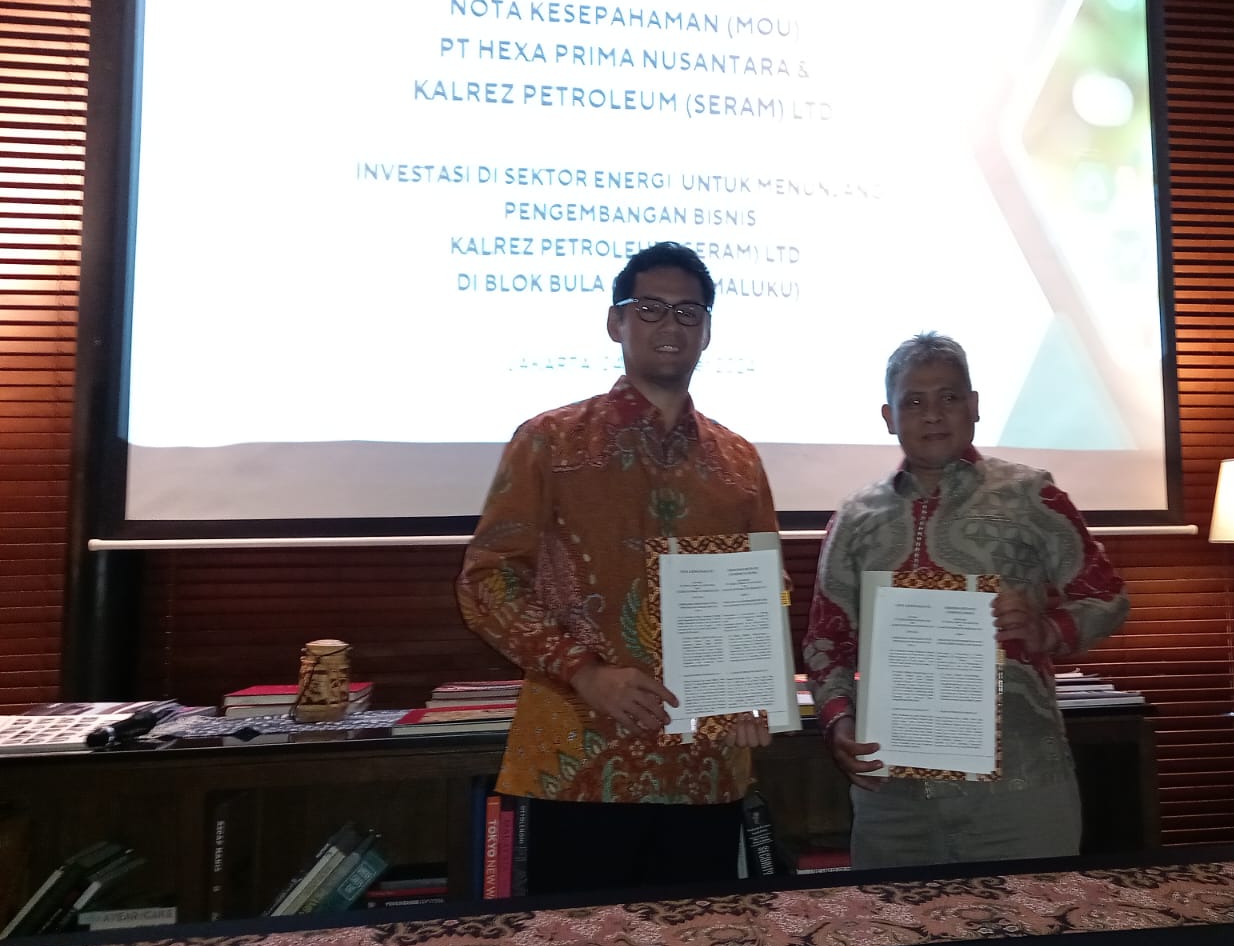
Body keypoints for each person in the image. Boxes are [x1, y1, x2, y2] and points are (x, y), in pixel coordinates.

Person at [457, 241, 776, 894]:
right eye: (650, 308)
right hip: (580, 764)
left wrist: (753, 691)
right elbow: (487, 581)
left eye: (688, 312)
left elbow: (764, 592)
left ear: (708, 331)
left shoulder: (739, 462)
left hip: (702, 769)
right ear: (616, 322)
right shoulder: (548, 442)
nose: (670, 325)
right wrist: (585, 672)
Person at [803, 332, 1129, 869]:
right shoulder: (854, 518)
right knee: (897, 923)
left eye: (949, 397)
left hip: (1018, 786)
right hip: (892, 794)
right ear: (888, 417)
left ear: (974, 406)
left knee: (1034, 921)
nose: (933, 414)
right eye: (913, 401)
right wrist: (838, 721)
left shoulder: (1031, 495)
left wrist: (1047, 629)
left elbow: (1107, 597)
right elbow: (825, 640)